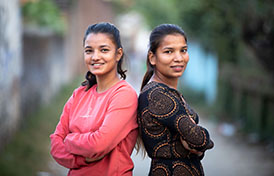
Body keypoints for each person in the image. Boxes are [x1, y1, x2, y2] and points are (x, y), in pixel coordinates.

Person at [50, 22, 138, 176]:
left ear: (118, 54)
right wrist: (80, 160)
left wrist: (69, 139)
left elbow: (98, 145)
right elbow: (56, 146)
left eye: (104, 50)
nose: (95, 57)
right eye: (89, 51)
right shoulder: (79, 94)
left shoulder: (124, 95)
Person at [137, 24, 214, 176]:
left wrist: (194, 147)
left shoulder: (168, 91)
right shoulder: (156, 95)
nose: (179, 58)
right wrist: (196, 143)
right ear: (152, 57)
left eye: (183, 50)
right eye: (168, 51)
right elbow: (201, 140)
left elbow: (196, 143)